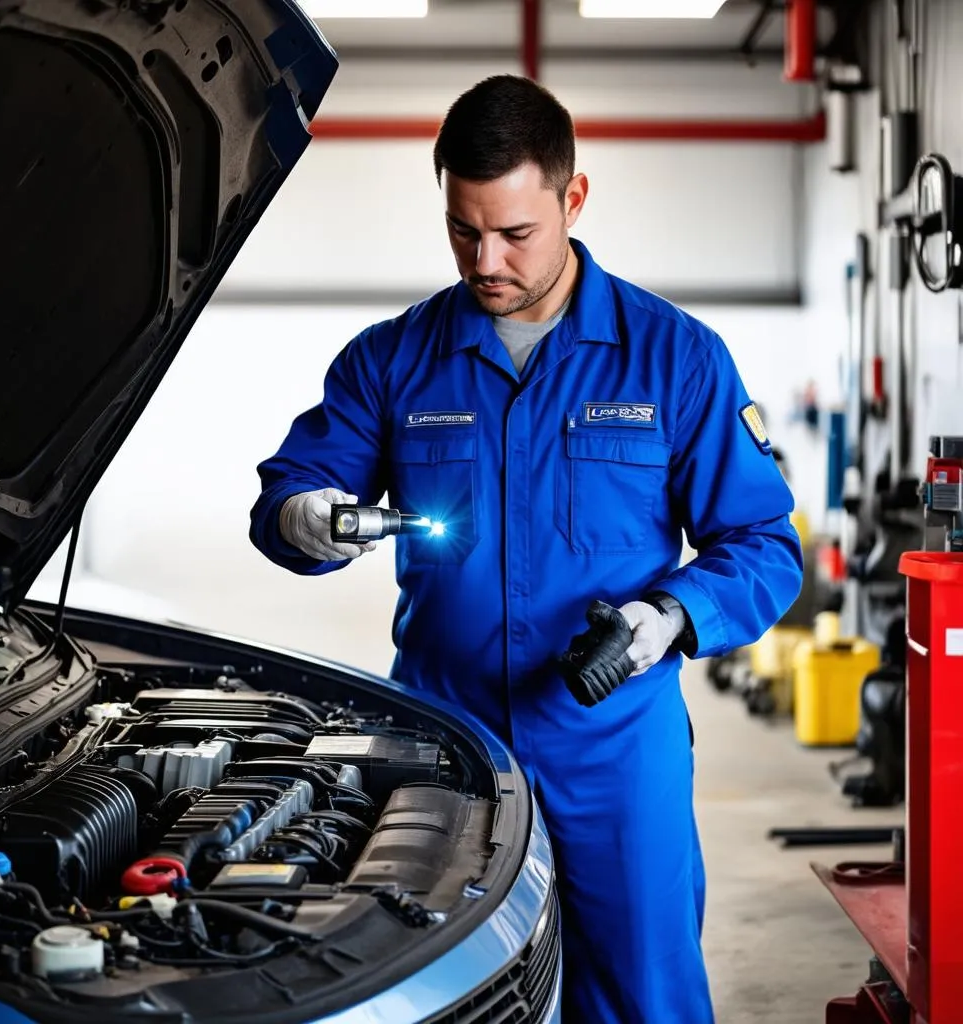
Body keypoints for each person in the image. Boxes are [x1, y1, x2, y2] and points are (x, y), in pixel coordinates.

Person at [249, 74, 803, 1024]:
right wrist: (303, 516)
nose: (487, 259)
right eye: (464, 230)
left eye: (515, 233)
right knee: (456, 997)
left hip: (615, 748)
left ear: (572, 197)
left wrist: (670, 616)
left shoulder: (674, 358)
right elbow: (292, 494)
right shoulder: (393, 360)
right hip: (447, 744)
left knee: (644, 995)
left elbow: (762, 544)